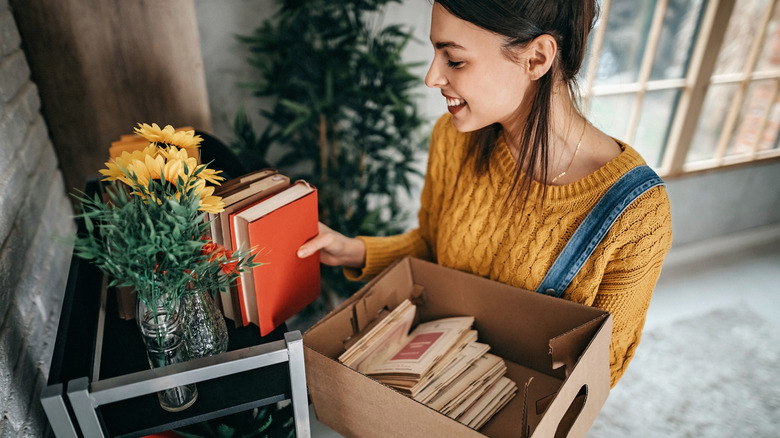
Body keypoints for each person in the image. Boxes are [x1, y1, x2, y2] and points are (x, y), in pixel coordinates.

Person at [297, 0, 672, 387]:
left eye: (454, 60)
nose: (431, 77)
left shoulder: (638, 215)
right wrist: (355, 251)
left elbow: (597, 373)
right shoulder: (454, 138)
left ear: (536, 59)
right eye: (435, 53)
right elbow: (432, 248)